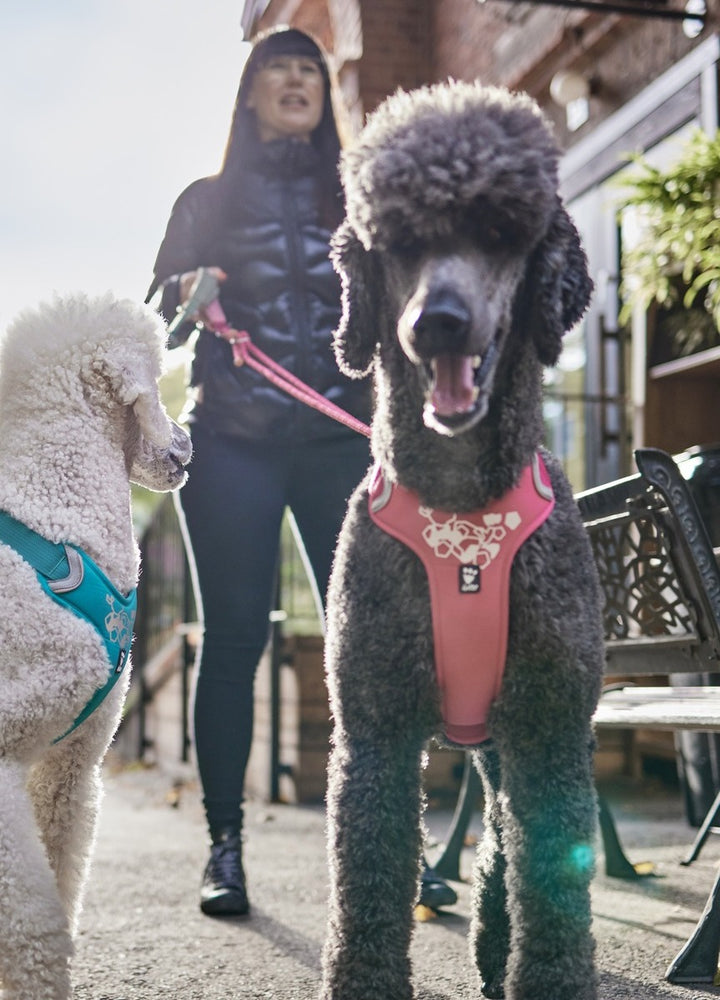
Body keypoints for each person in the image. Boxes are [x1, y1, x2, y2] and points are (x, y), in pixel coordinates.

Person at [147, 25, 456, 918]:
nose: (294, 78)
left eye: (309, 70)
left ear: (326, 96)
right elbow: (160, 320)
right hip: (233, 442)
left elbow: (411, 312)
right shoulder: (203, 200)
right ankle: (225, 850)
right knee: (234, 636)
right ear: (248, 92)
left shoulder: (363, 199)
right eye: (275, 67)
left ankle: (397, 847)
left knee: (367, 642)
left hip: (337, 442)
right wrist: (186, 293)